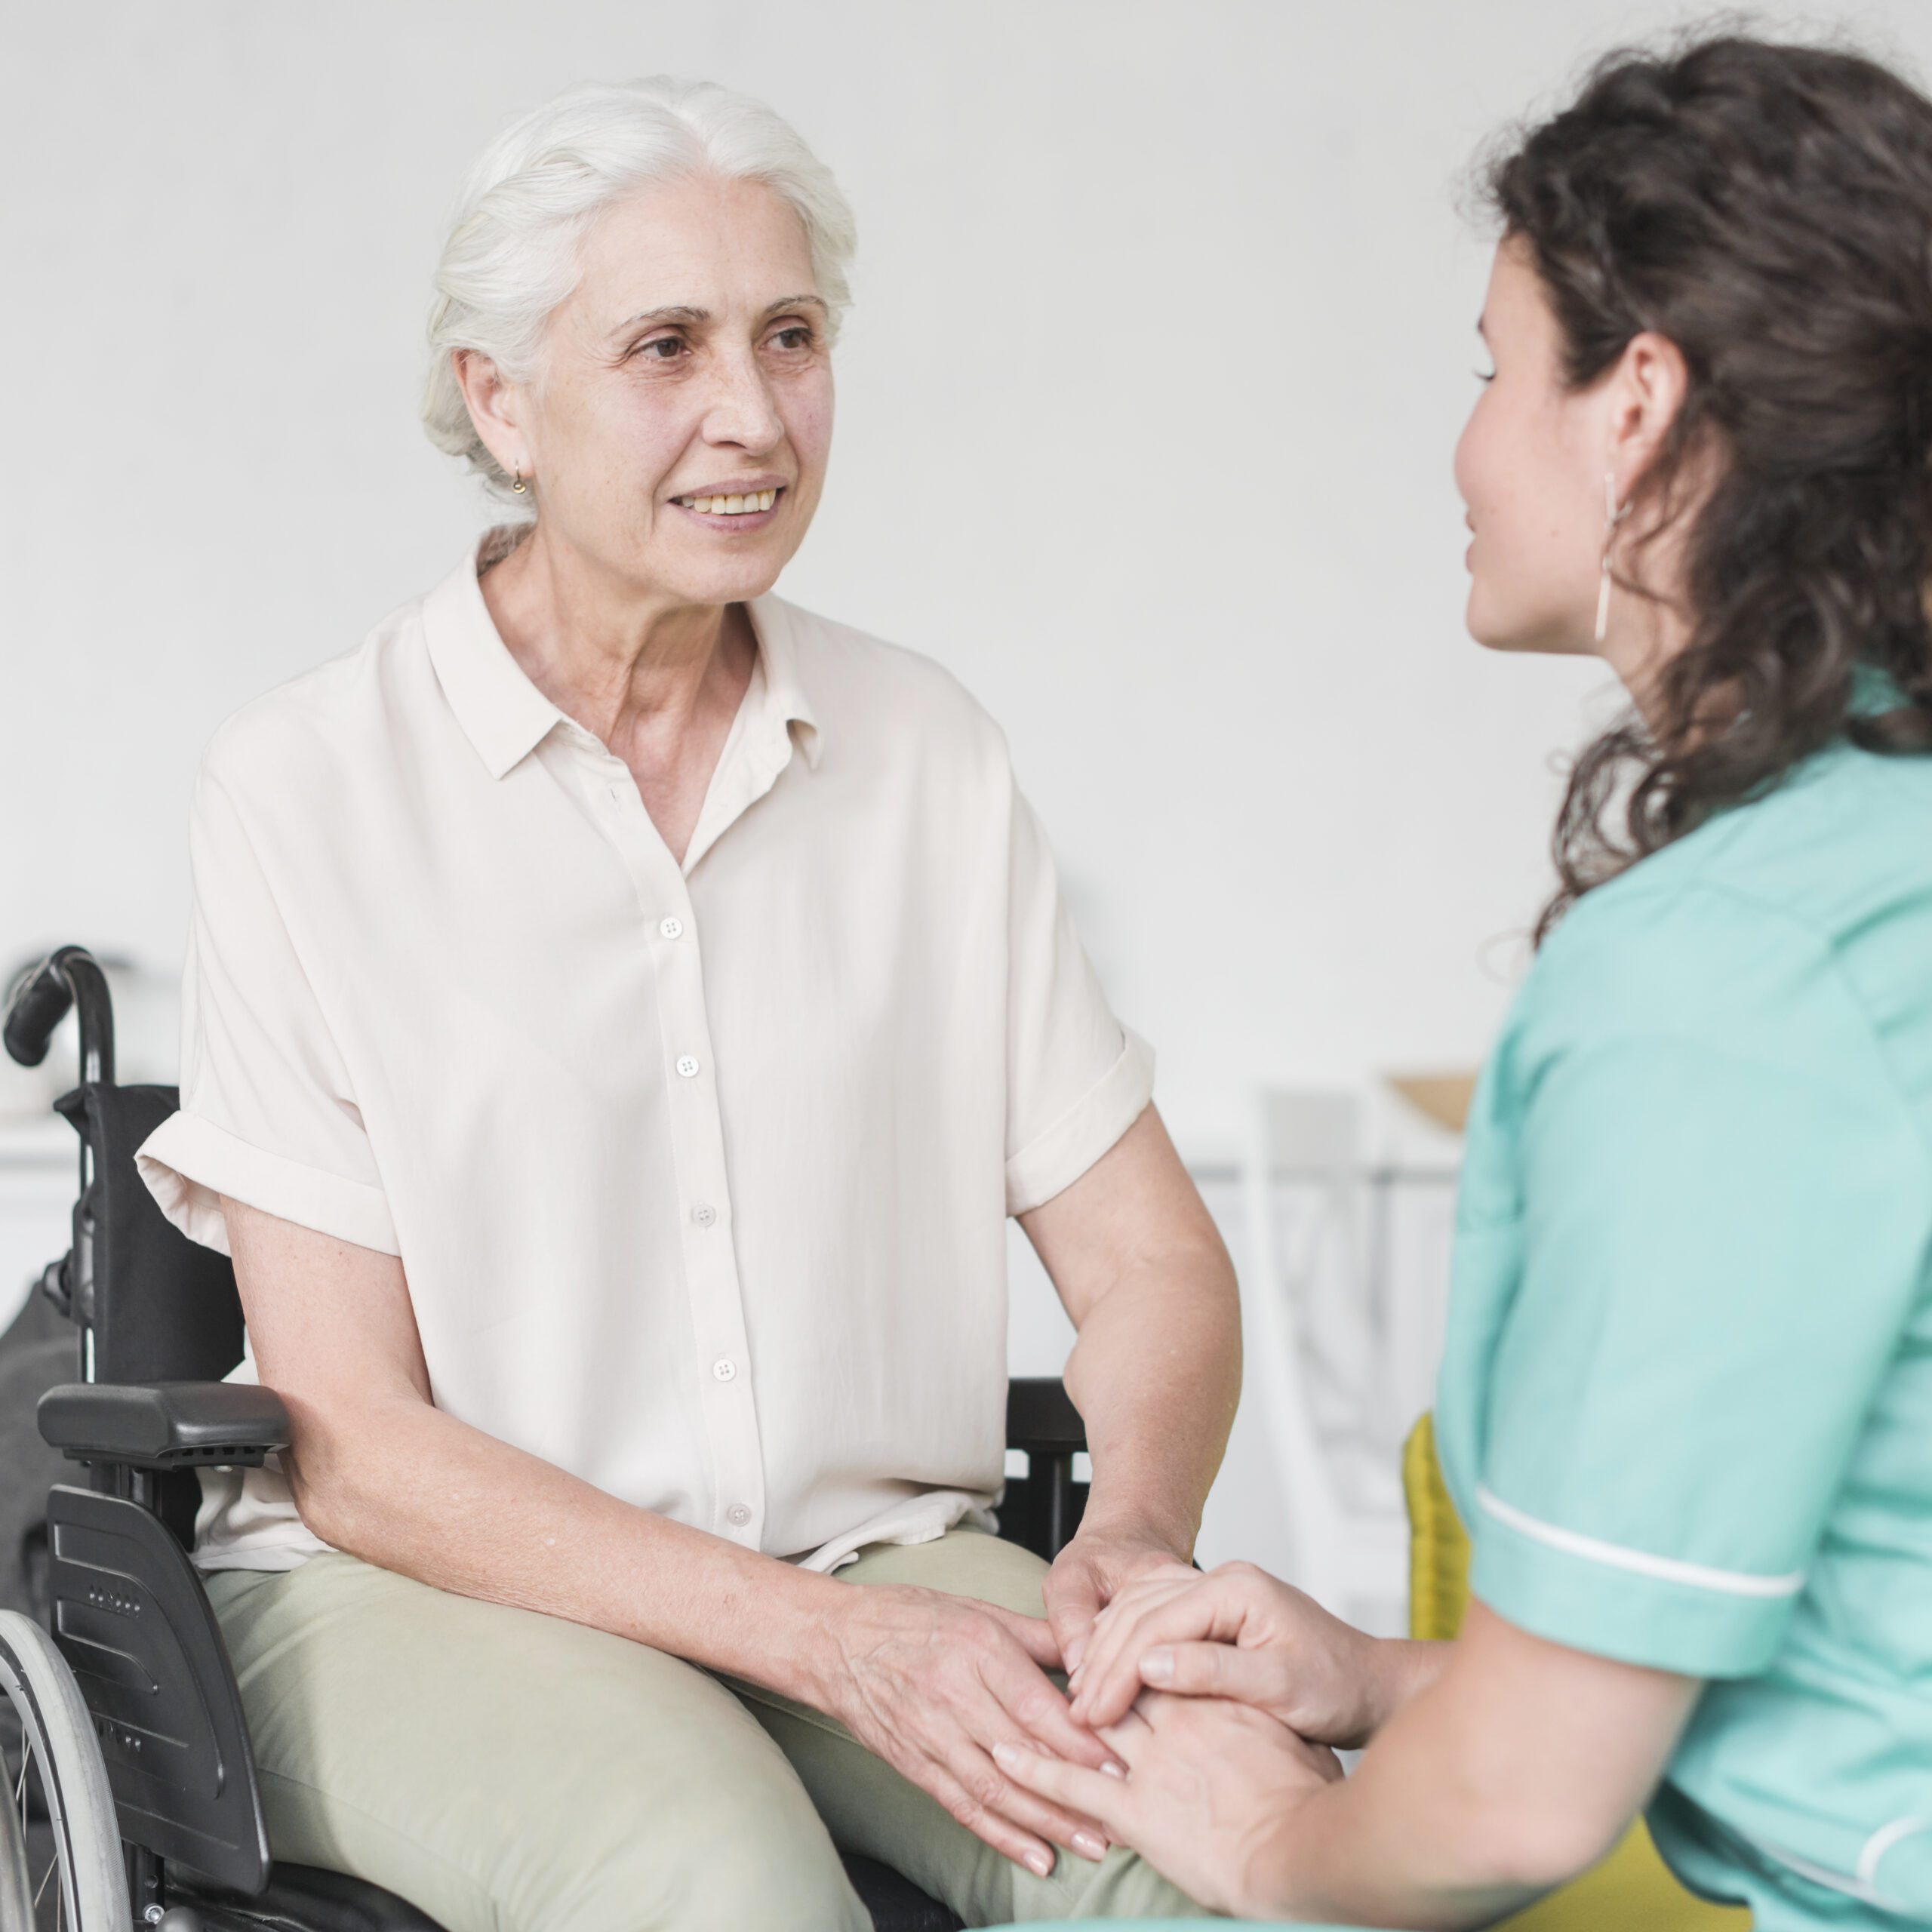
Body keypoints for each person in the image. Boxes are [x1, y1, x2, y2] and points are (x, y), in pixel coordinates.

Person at [134, 77, 1239, 1932]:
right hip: (429, 1597)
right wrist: (823, 1643)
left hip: (874, 1553)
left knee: (1225, 1836)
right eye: (667, 346)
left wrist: (1127, 1533)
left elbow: (1150, 1267)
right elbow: (354, 1436)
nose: (752, 414)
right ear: (500, 399)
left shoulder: (926, 756)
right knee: (719, 1886)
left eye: (789, 336)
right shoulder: (306, 782)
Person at [995, 34, 1932, 1931]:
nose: (1463, 445)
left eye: (1494, 370)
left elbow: (1516, 1802)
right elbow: (1849, 1657)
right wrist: (1370, 1676)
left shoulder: (1719, 980)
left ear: (1636, 405)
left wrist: (1268, 1835)